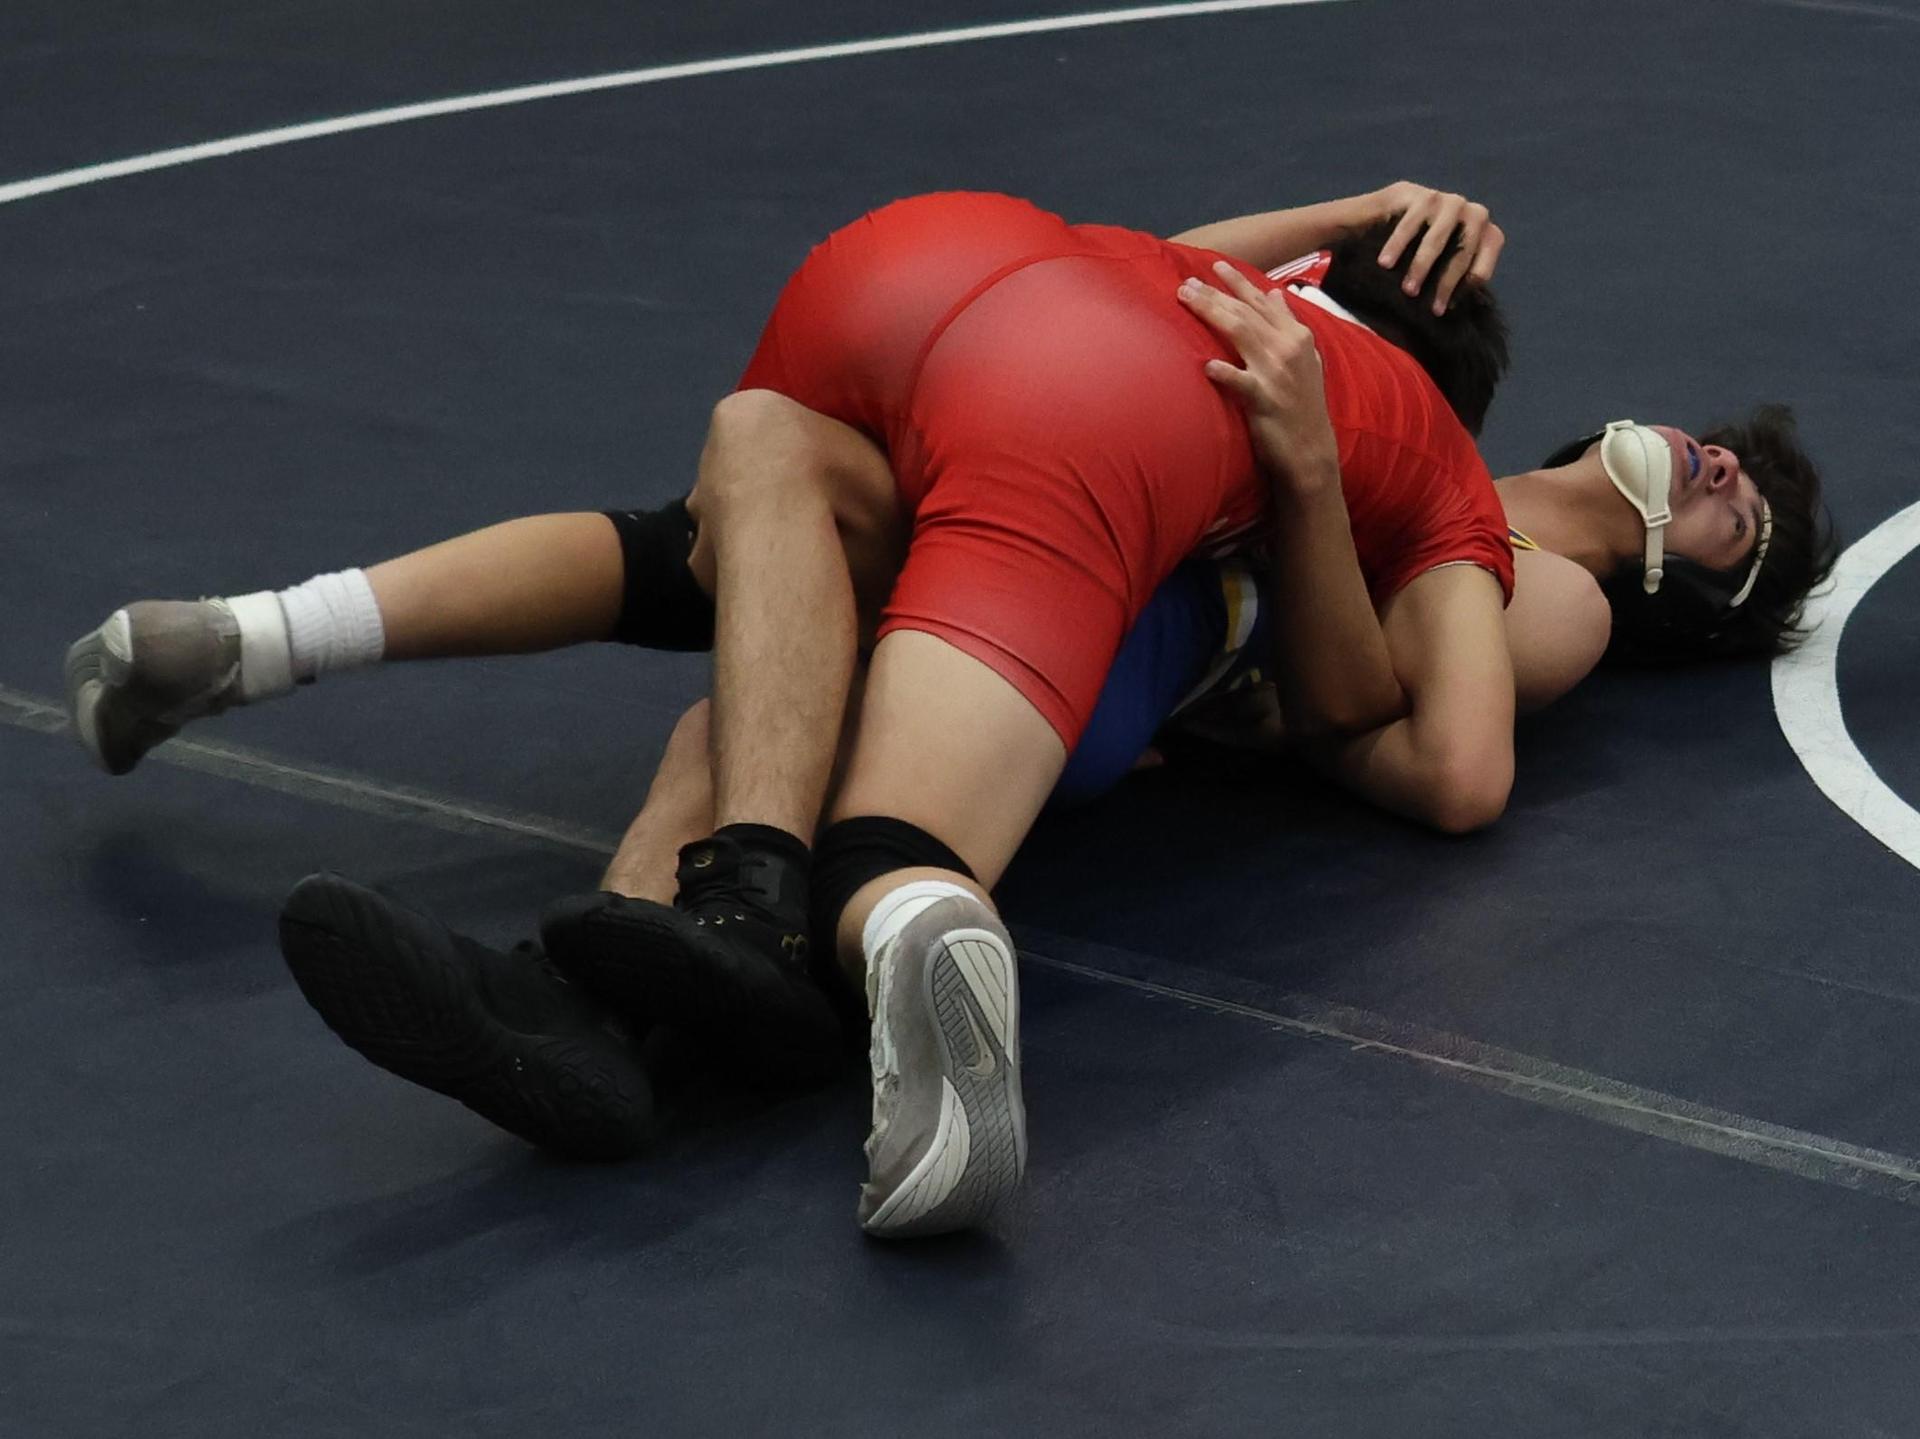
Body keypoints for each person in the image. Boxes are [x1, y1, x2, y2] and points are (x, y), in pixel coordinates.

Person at [63, 185, 1835, 1235]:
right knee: (754, 499)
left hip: (1144, 617)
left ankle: (758, 963)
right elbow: (1163, 269)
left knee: (783, 705)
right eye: (1727, 452)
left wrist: (1297, 505)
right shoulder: (1388, 421)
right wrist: (1348, 230)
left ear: (1699, 601)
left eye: (1743, 513)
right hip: (1074, 447)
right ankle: (603, 1001)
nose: (1722, 470)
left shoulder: (1523, 567)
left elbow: (1413, 741)